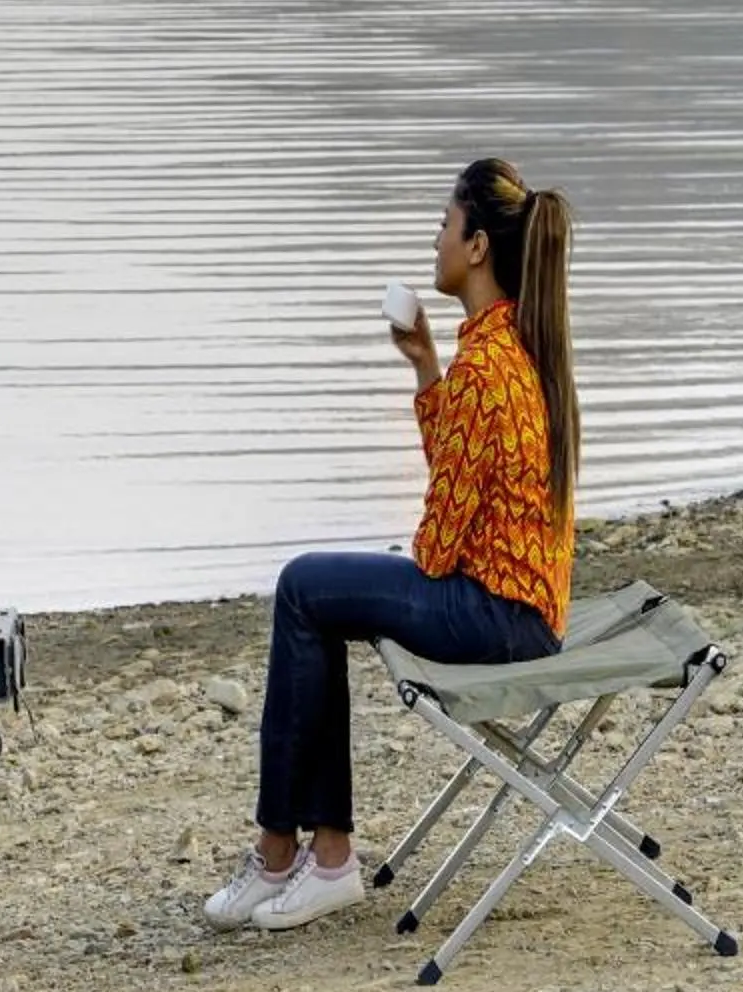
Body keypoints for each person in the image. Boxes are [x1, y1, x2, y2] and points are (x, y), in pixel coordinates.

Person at [204, 157, 581, 932]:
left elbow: (437, 551)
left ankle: (299, 852)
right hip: (519, 610)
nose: (435, 239)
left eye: (444, 224)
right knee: (317, 594)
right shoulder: (508, 349)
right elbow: (463, 474)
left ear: (477, 247)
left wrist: (419, 541)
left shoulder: (490, 367)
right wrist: (425, 368)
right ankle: (305, 851)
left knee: (305, 588)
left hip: (497, 616)